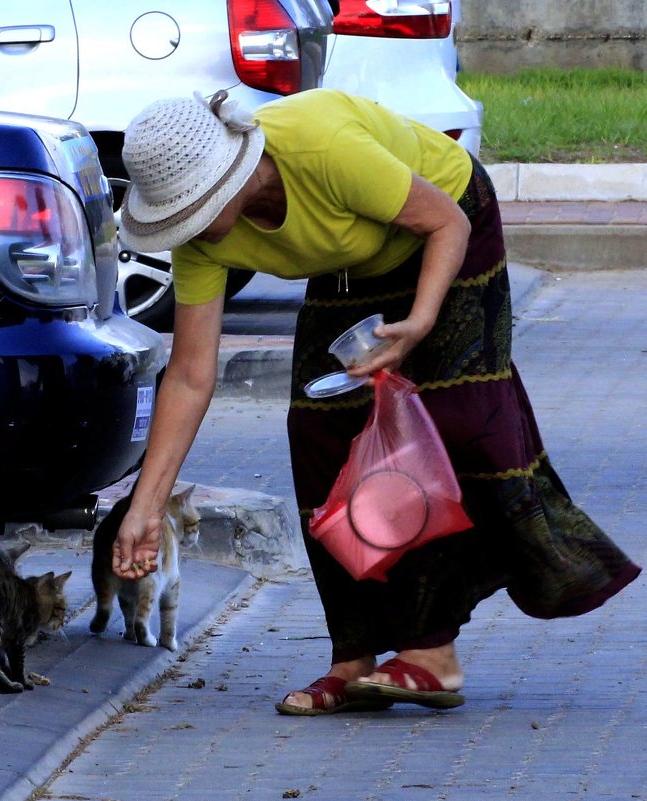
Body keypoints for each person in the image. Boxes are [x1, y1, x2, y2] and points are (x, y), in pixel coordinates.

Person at [111, 88, 640, 714]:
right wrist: (143, 508)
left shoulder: (322, 147)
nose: (186, 227)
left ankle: (431, 654)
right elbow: (191, 376)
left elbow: (448, 221)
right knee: (321, 437)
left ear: (232, 175)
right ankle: (353, 657)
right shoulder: (202, 239)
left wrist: (419, 322)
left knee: (453, 426)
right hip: (352, 265)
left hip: (447, 225)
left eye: (192, 210)